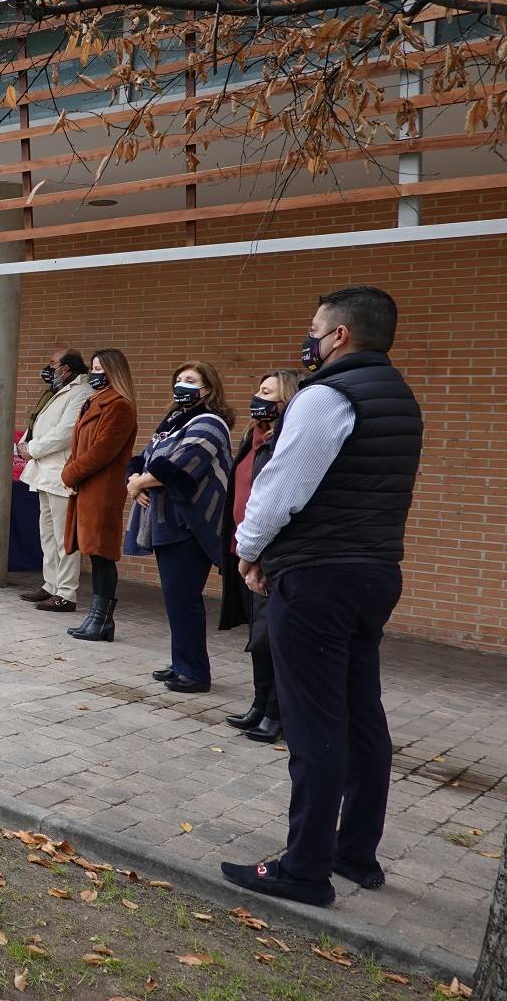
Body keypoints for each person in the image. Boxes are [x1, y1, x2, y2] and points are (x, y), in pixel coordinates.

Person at [222, 286, 423, 908]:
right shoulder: (400, 398)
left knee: (315, 727)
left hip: (318, 580)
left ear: (339, 336)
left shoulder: (327, 395)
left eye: (314, 328)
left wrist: (249, 549)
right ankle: (354, 850)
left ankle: (304, 866)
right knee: (363, 716)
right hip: (373, 573)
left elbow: (285, 484)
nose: (307, 338)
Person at [124, 361, 234, 693]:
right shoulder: (173, 421)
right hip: (166, 520)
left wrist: (137, 484)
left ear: (208, 389)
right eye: (179, 379)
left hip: (190, 523)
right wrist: (137, 479)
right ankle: (181, 662)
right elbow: (145, 459)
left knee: (184, 597)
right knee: (175, 597)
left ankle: (196, 672)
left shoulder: (211, 423)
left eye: (191, 380)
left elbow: (176, 467)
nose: (182, 385)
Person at [218, 369, 301, 744]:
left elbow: (277, 499)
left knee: (271, 637)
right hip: (243, 547)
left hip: (267, 553)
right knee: (257, 634)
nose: (258, 397)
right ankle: (259, 704)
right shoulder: (251, 439)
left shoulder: (285, 440)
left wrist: (260, 554)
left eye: (267, 392)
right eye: (258, 389)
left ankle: (277, 713)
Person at [61, 349, 139, 641]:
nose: (95, 373)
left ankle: (102, 620)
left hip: (102, 489)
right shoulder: (93, 401)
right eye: (93, 368)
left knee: (102, 553)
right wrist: (71, 471)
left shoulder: (119, 406)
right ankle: (97, 619)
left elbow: (101, 451)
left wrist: (71, 473)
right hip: (86, 486)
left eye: (100, 368)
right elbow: (79, 446)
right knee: (93, 553)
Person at [18, 349, 92, 612]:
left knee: (64, 537)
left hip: (61, 471)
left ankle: (66, 592)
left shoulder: (81, 393)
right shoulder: (57, 390)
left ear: (68, 368)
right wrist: (23, 445)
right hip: (44, 472)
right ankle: (50, 584)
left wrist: (33, 448)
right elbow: (38, 421)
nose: (49, 368)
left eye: (53, 364)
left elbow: (64, 433)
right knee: (47, 534)